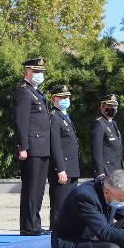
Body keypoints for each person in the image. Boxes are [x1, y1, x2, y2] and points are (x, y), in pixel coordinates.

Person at [13, 57, 51, 236]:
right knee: (31, 187)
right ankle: (28, 225)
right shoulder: (24, 91)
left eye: (41, 72)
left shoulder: (37, 92)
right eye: (36, 71)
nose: (39, 75)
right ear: (27, 72)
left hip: (43, 147)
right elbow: (21, 121)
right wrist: (22, 146)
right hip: (32, 147)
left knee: (39, 188)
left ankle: (35, 223)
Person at [48, 85, 80, 229]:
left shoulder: (65, 117)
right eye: (63, 97)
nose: (66, 100)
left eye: (67, 97)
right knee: (59, 205)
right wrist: (60, 169)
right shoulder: (54, 116)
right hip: (63, 169)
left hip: (72, 168)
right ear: (54, 98)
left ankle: (67, 231)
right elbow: (55, 145)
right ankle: (56, 232)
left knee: (70, 205)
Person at [90, 94, 122, 178]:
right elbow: (96, 150)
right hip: (106, 170)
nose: (113, 108)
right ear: (102, 107)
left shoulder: (113, 123)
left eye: (115, 106)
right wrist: (100, 172)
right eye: (110, 106)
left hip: (116, 169)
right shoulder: (99, 123)